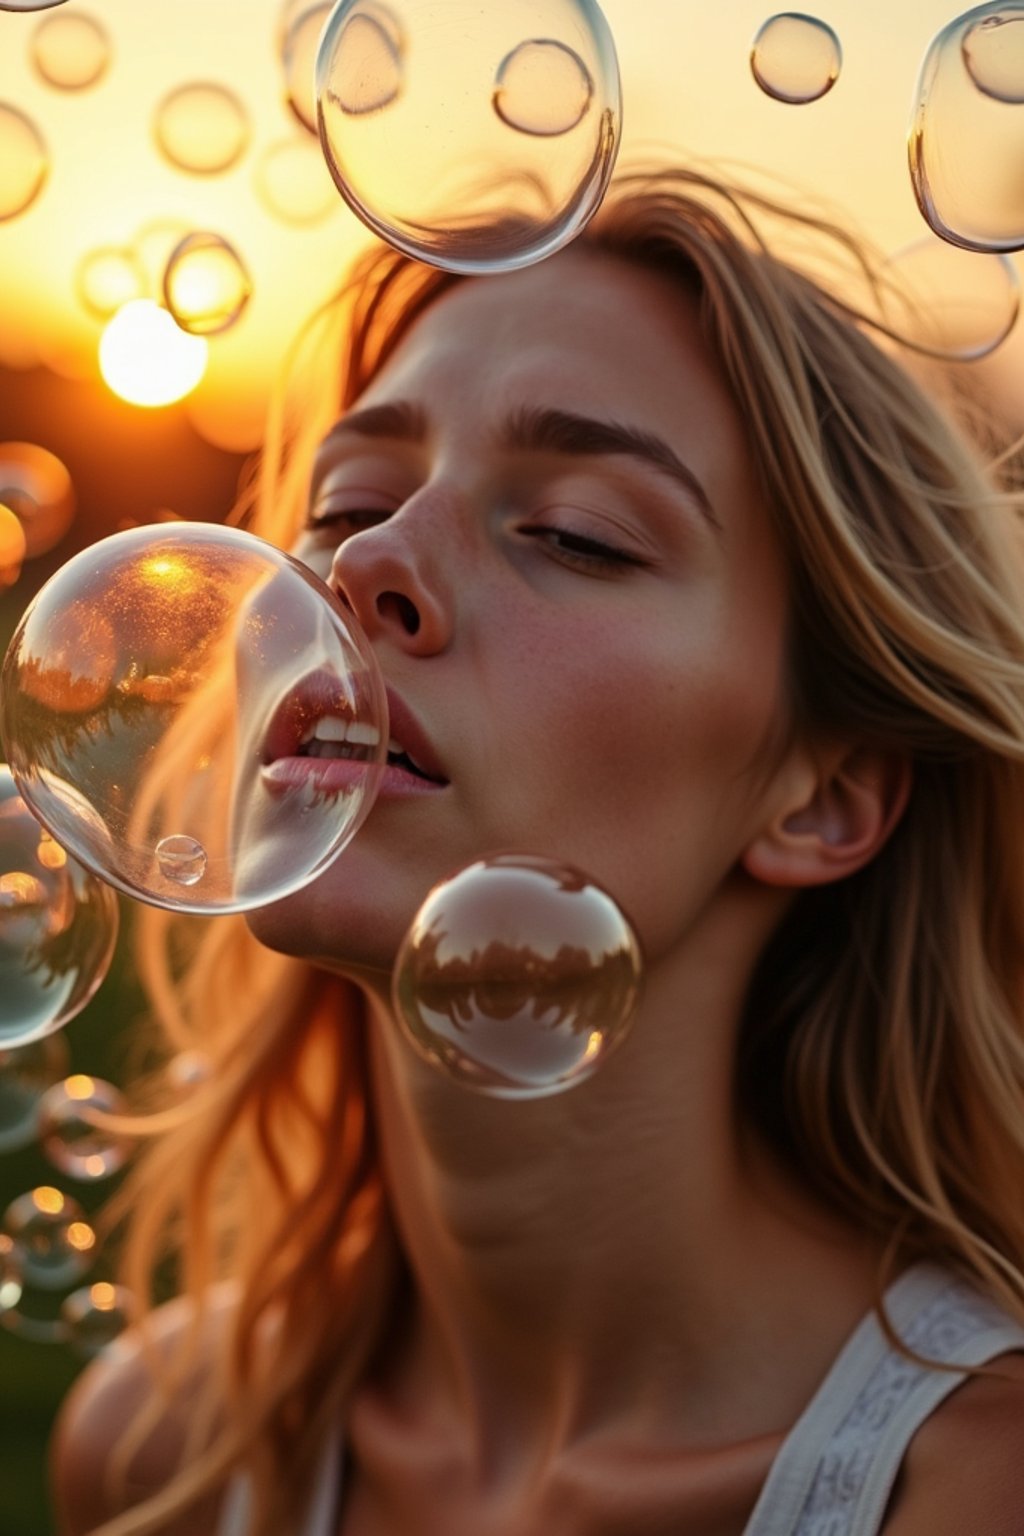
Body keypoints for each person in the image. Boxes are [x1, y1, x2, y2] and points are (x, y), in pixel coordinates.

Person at [49, 165, 1024, 1535]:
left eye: (575, 534)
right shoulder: (170, 1450)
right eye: (344, 502)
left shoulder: (975, 1490)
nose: (365, 561)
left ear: (825, 798)